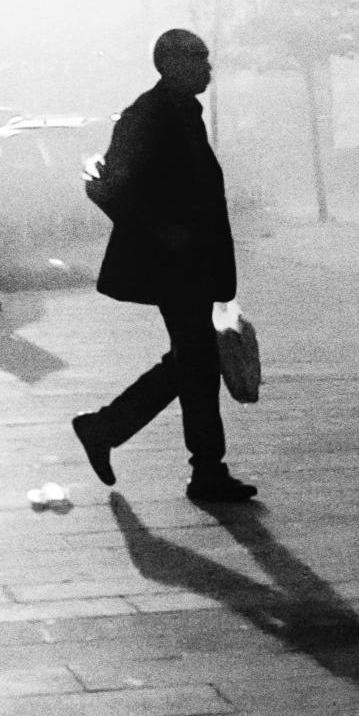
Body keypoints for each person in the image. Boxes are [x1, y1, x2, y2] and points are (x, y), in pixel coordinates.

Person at [70, 27, 252, 504]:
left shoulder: (182, 113)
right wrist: (162, 232)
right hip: (174, 265)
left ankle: (108, 429)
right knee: (196, 360)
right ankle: (201, 467)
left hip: (192, 262)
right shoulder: (147, 116)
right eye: (200, 59)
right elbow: (111, 188)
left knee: (193, 361)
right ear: (171, 65)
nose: (209, 68)